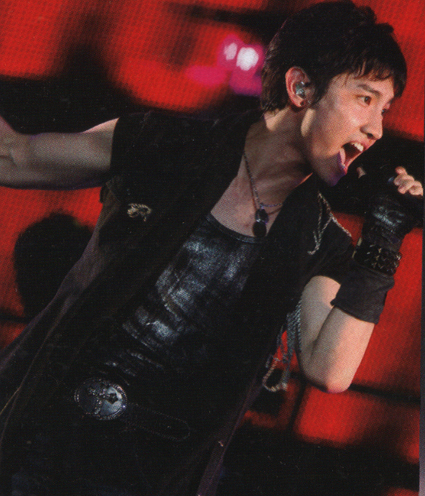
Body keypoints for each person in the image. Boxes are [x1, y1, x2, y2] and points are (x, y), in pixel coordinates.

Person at [0, 1, 422, 495]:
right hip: (38, 444)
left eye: (384, 110)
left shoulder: (319, 241)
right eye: (365, 99)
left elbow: (330, 370)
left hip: (152, 480)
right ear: (301, 88)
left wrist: (383, 239)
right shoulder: (164, 143)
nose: (376, 129)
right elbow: (13, 157)